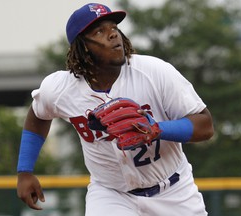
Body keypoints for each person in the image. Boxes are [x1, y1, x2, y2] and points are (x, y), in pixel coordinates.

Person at [17, 3, 214, 216]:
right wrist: (24, 171)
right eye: (100, 31)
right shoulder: (60, 89)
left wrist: (157, 129)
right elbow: (37, 115)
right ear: (81, 47)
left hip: (173, 192)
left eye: (113, 27)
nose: (113, 35)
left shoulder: (154, 72)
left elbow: (205, 125)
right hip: (111, 195)